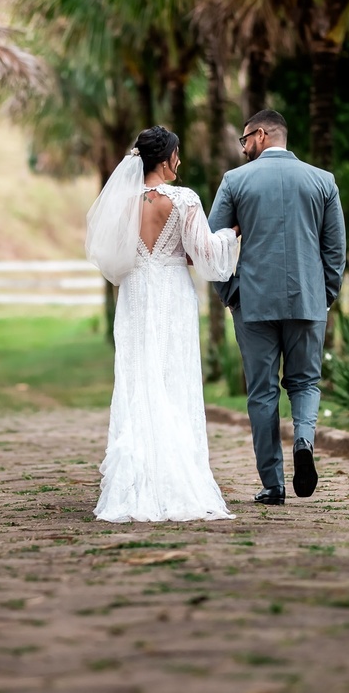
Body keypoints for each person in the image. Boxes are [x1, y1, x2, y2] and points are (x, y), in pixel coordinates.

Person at [85, 126, 240, 522]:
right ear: (166, 158)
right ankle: (177, 481)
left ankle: (135, 482)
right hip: (172, 292)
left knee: (139, 379)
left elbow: (111, 257)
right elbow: (206, 256)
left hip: (135, 293)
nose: (180, 161)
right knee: (173, 379)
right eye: (177, 154)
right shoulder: (184, 199)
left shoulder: (121, 202)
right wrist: (233, 234)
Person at [208, 109, 346, 506]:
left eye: (245, 139)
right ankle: (303, 441)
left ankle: (274, 484)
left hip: (253, 302)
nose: (244, 147)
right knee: (304, 382)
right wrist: (326, 295)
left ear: (263, 135)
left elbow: (212, 245)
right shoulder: (324, 181)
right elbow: (335, 250)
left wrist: (228, 292)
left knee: (263, 393)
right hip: (308, 299)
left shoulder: (235, 181)